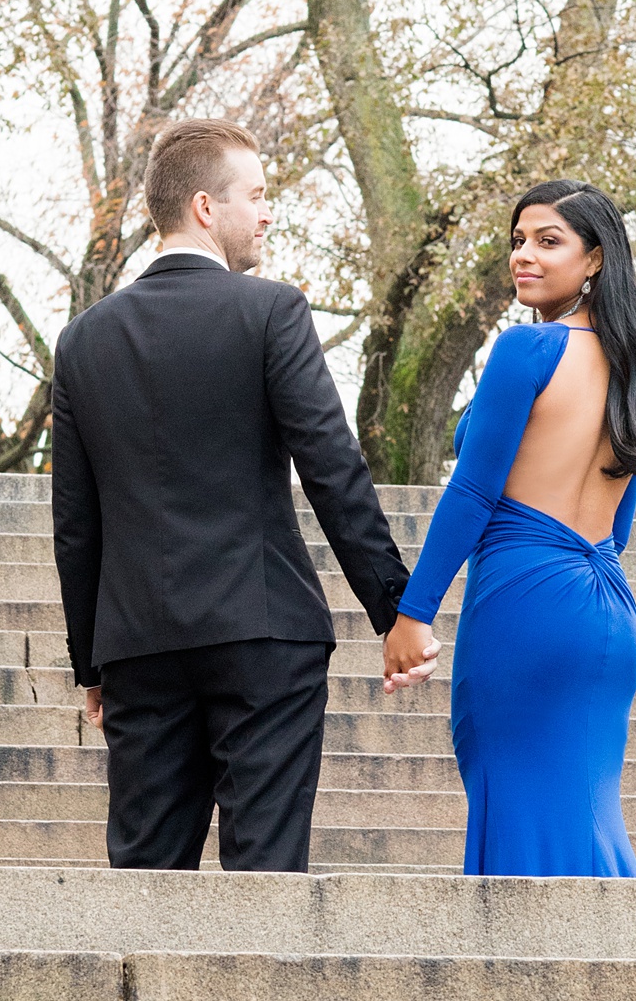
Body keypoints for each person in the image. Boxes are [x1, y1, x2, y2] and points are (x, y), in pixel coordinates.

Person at [52, 118, 411, 872]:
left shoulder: (83, 340)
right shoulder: (271, 311)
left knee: (147, 878)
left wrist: (92, 663)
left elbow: (76, 523)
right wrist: (395, 608)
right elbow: (331, 466)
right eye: (257, 195)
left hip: (139, 645)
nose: (267, 213)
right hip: (264, 633)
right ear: (207, 208)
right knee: (265, 878)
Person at [382, 182, 636, 877]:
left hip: (524, 606)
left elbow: (471, 493)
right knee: (584, 815)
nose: (524, 256)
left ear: (595, 260)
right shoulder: (634, 368)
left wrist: (413, 613)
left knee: (522, 822)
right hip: (605, 611)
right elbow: (621, 523)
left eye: (549, 242)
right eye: (518, 240)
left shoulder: (526, 351)